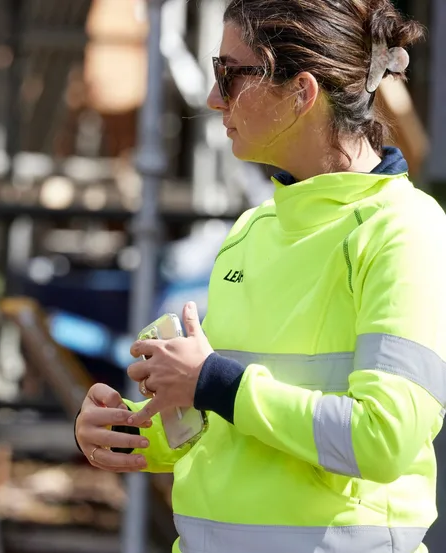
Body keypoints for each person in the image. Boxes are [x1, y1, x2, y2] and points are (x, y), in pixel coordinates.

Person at [74, 1, 445, 551]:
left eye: (230, 73)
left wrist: (211, 382)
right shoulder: (253, 228)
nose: (212, 98)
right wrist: (132, 431)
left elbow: (383, 439)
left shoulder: (405, 229)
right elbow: (228, 425)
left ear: (302, 92)